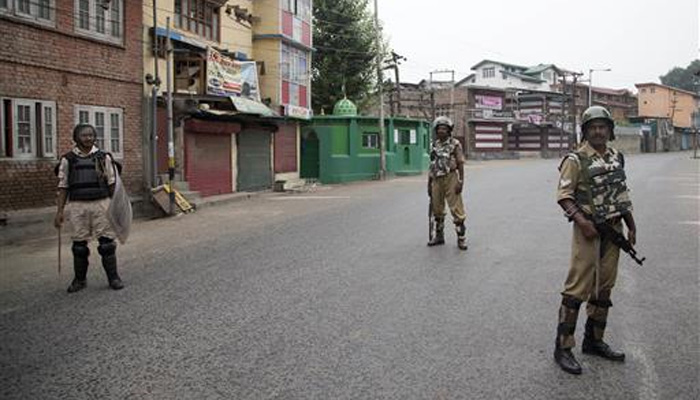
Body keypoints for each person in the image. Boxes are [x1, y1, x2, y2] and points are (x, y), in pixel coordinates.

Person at [553, 106, 637, 374]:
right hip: (588, 229)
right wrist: (583, 222)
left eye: (602, 126)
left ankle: (594, 340)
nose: (598, 131)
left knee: (604, 288)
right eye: (593, 127)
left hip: (614, 230)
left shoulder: (616, 157)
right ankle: (563, 347)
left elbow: (621, 195)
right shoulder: (575, 160)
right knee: (577, 287)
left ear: (610, 130)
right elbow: (563, 196)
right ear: (585, 131)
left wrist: (631, 225)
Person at [54, 123, 125, 293]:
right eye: (84, 135)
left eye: (91, 135)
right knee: (79, 246)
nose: (88, 138)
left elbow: (112, 183)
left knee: (106, 244)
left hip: (101, 204)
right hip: (78, 205)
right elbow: (63, 186)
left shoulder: (103, 158)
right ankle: (80, 280)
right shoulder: (68, 159)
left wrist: (116, 207)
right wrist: (59, 211)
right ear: (76, 138)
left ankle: (114, 278)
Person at [427, 116, 468, 250]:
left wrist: (461, 181)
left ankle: (461, 239)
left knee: (456, 209)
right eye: (439, 129)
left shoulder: (455, 144)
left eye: (444, 129)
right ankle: (439, 236)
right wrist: (429, 183)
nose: (441, 131)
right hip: (436, 179)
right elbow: (432, 164)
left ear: (449, 130)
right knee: (437, 209)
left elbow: (460, 163)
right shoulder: (434, 145)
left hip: (451, 177)